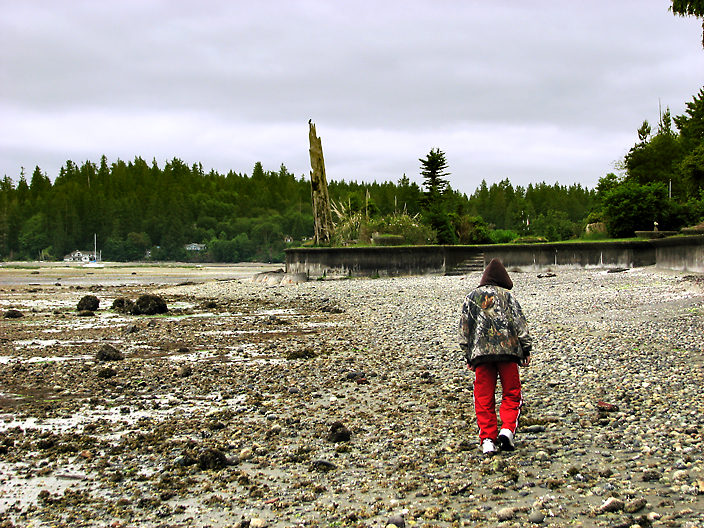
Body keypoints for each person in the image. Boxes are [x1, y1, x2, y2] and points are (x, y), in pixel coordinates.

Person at [458, 258, 532, 455]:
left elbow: (465, 329)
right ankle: (507, 430)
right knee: (512, 392)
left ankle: (488, 440)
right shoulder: (508, 297)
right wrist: (526, 350)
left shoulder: (471, 298)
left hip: (481, 355)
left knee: (483, 396)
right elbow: (520, 324)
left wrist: (468, 355)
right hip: (508, 352)